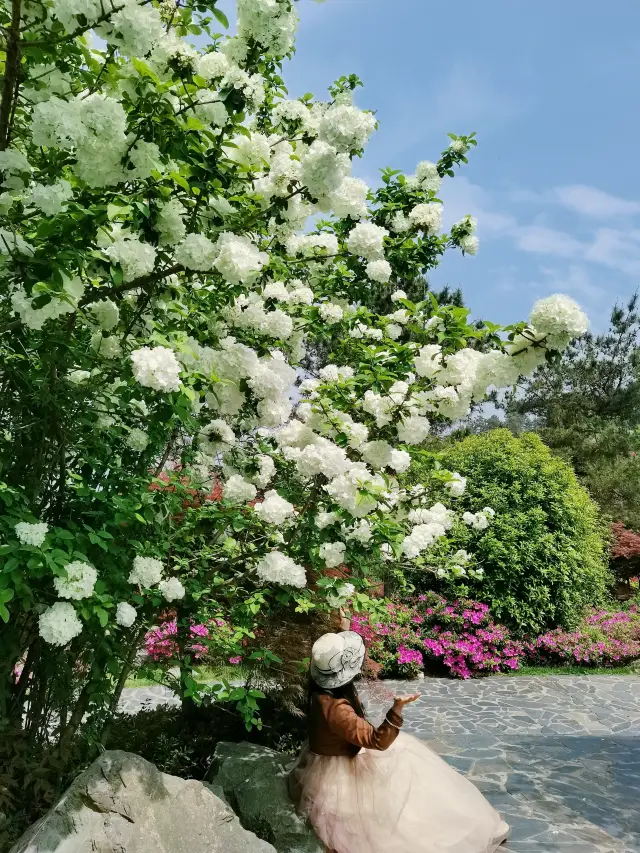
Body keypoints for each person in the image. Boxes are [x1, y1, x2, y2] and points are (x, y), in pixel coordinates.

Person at [288, 630, 509, 853]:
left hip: (324, 757)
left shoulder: (318, 694)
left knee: (406, 756)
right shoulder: (338, 710)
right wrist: (396, 709)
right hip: (340, 769)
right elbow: (378, 740)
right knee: (403, 771)